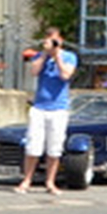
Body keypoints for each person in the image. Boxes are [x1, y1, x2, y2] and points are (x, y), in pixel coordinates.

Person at [14, 26, 79, 195]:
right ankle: (27, 180)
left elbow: (65, 75)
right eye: (49, 40)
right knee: (33, 145)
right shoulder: (40, 57)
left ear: (61, 40)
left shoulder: (69, 57)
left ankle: (50, 182)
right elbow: (34, 72)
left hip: (58, 109)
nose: (52, 43)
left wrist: (57, 56)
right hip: (39, 107)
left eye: (55, 40)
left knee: (54, 148)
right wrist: (44, 54)